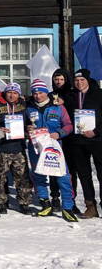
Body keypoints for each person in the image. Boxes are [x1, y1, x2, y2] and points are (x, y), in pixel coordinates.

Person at [25, 79, 78, 222]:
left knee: (63, 175)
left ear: (46, 92)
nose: (38, 96)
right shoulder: (28, 108)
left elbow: (68, 126)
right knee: (39, 175)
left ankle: (67, 207)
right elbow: (22, 127)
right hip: (36, 147)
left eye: (41, 93)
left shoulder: (58, 107)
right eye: (35, 93)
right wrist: (27, 129)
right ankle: (45, 204)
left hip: (54, 147)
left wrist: (59, 133)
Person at [0, 82, 33, 215]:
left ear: (19, 94)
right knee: (0, 177)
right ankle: (1, 202)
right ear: (5, 92)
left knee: (22, 177)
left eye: (15, 93)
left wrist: (29, 127)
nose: (12, 95)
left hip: (18, 147)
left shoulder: (23, 105)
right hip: (2, 147)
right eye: (9, 92)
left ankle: (24, 203)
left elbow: (29, 120)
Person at [64, 68, 102, 218]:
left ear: (88, 80)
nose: (79, 83)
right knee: (84, 174)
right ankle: (90, 205)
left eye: (82, 80)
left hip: (97, 140)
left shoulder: (99, 95)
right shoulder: (70, 96)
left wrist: (96, 132)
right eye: (76, 80)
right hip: (77, 141)